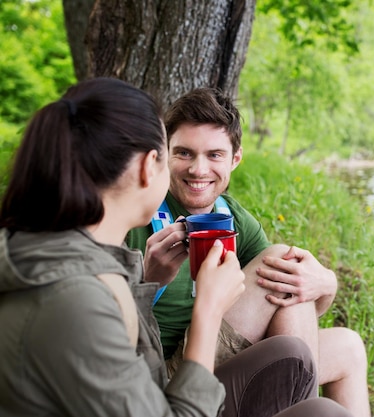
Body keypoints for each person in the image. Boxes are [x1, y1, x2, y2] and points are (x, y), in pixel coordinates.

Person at [0, 77, 352, 417]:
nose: (196, 169)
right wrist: (209, 311)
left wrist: (148, 281)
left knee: (315, 383)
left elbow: (131, 356)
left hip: (163, 388)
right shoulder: (73, 294)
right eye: (175, 154)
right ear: (146, 167)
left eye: (214, 154)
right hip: (177, 391)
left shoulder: (66, 251)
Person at [126, 87, 371, 416]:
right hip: (167, 377)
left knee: (349, 347)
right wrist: (147, 277)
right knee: (281, 264)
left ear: (235, 159)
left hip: (218, 359)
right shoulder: (138, 212)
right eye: (184, 153)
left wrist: (327, 284)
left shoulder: (234, 218)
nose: (198, 170)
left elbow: (297, 307)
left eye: (214, 155)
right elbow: (102, 320)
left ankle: (300, 407)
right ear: (165, 153)